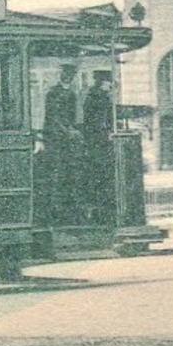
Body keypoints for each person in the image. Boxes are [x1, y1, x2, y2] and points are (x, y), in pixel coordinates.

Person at [37, 63, 80, 229]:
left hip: (65, 139)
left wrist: (72, 129)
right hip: (56, 139)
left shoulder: (71, 93)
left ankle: (66, 211)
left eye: (71, 74)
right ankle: (56, 212)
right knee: (57, 173)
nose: (68, 76)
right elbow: (54, 118)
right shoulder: (54, 93)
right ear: (61, 75)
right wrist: (68, 131)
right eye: (66, 74)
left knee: (67, 174)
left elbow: (71, 117)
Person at [81, 70, 117, 226]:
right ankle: (100, 214)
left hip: (97, 143)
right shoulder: (98, 98)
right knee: (100, 178)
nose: (110, 85)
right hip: (98, 144)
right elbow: (101, 121)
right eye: (109, 82)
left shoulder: (96, 97)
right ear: (102, 82)